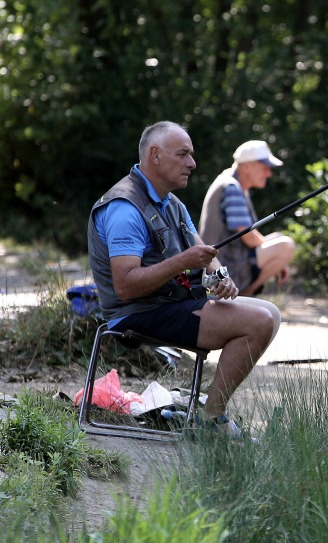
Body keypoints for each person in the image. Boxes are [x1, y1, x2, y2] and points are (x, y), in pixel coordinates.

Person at [87, 121, 280, 439]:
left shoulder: (171, 203)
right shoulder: (124, 208)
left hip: (172, 303)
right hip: (137, 312)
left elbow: (204, 252)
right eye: (183, 154)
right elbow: (125, 285)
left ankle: (208, 414)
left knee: (270, 312)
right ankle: (211, 420)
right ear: (156, 155)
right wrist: (184, 262)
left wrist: (219, 277)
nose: (192, 163)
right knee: (258, 321)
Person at [198, 140, 296, 296]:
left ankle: (242, 297)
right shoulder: (232, 188)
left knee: (278, 239)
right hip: (222, 267)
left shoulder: (232, 183)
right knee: (285, 246)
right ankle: (243, 297)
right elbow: (249, 238)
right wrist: (279, 259)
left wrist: (276, 256)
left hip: (225, 262)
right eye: (265, 167)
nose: (269, 173)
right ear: (247, 166)